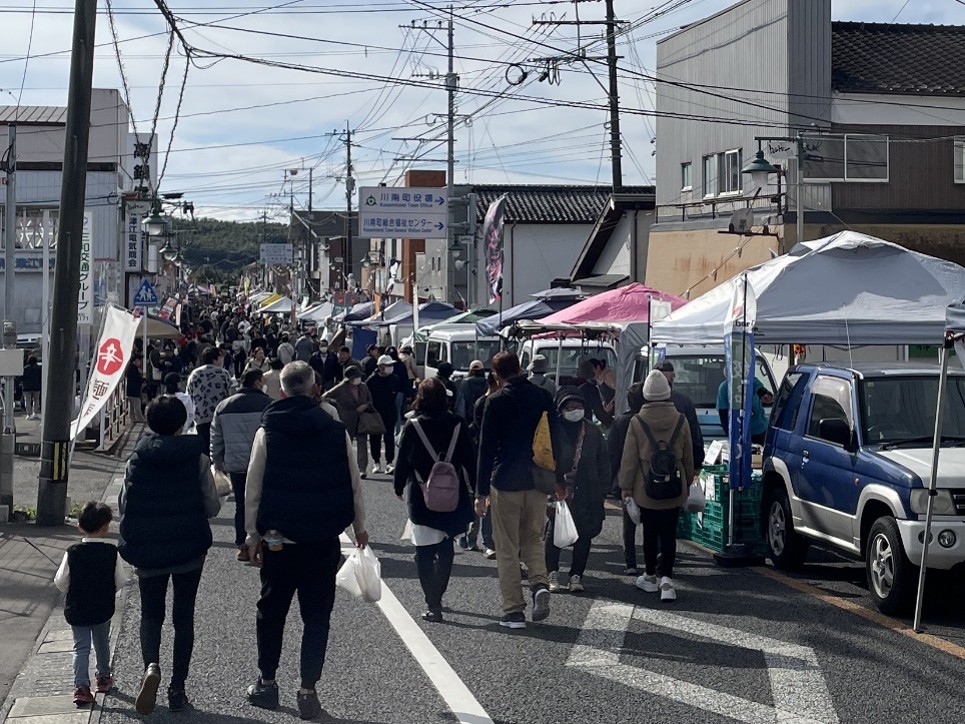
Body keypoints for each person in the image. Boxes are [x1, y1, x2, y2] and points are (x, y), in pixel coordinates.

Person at [244, 361, 368, 720]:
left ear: (281, 391)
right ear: (315, 388)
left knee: (271, 613)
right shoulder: (335, 429)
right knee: (317, 617)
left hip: (278, 540)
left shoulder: (267, 432)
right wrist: (359, 526)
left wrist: (252, 535)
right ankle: (308, 691)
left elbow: (254, 488)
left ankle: (267, 684)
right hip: (323, 538)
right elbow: (353, 480)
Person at [118, 396, 221, 715]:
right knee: (183, 615)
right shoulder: (198, 457)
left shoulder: (136, 457)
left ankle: (151, 667)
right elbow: (212, 506)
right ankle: (178, 689)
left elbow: (124, 504)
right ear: (182, 424)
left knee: (151, 613)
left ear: (149, 422)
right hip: (189, 547)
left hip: (148, 549)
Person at [476, 352, 559, 629]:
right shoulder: (542, 396)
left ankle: (513, 611)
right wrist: (559, 478)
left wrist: (480, 492)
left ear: (496, 374)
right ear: (522, 368)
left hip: (505, 480)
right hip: (537, 479)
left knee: (507, 547)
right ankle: (539, 584)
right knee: (533, 538)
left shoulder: (495, 401)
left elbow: (486, 448)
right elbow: (555, 437)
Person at [393, 378, 475, 622]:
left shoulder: (413, 425)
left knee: (424, 552)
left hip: (421, 495)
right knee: (446, 546)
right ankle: (439, 592)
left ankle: (433, 603)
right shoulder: (458, 424)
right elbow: (470, 459)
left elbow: (402, 463)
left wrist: (398, 487)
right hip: (453, 494)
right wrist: (478, 489)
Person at [619, 370, 695, 603]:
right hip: (674, 486)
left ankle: (650, 576)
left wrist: (626, 487)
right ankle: (667, 582)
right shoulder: (681, 419)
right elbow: (688, 456)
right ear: (668, 392)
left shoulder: (637, 421)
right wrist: (688, 480)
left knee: (650, 533)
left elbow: (629, 459)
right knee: (669, 534)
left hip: (646, 488)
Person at [54, 502, 126, 706]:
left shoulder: (73, 551)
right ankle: (103, 677)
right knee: (102, 641)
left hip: (77, 608)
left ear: (80, 526)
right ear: (105, 527)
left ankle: (81, 687)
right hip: (102, 608)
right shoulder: (111, 552)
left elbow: (61, 581)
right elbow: (120, 580)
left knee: (80, 647)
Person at [545, 388, 610, 594]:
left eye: (579, 407)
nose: (575, 411)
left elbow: (603, 462)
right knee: (554, 533)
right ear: (561, 409)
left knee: (584, 535)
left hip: (587, 491)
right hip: (558, 489)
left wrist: (602, 490)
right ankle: (551, 573)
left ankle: (576, 576)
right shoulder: (553, 430)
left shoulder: (592, 431)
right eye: (570, 407)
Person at [210, 369, 272, 562]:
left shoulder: (224, 406)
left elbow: (216, 437)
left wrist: (217, 460)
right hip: (263, 462)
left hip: (236, 463)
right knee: (263, 503)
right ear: (256, 383)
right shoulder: (268, 404)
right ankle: (264, 544)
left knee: (241, 505)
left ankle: (243, 546)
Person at [608, 383, 645, 575]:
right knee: (651, 521)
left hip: (626, 477)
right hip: (649, 477)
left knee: (628, 521)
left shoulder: (622, 421)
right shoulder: (648, 420)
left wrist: (609, 480)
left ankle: (630, 563)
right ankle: (652, 558)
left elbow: (612, 453)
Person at [462, 372, 499, 556]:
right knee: (482, 497)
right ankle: (485, 540)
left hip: (477, 455)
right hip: (484, 456)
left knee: (478, 496)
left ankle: (470, 536)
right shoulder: (489, 403)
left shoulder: (481, 402)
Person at [324, 365, 375, 478]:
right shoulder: (341, 388)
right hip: (346, 419)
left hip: (361, 419)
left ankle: (362, 469)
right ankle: (344, 467)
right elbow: (325, 396)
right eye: (356, 377)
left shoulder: (363, 387)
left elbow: (370, 400)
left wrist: (365, 405)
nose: (358, 379)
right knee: (346, 444)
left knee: (362, 443)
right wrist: (336, 405)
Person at [186, 346, 235, 456]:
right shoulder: (223, 374)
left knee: (205, 450)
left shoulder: (194, 374)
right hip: (219, 416)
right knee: (218, 448)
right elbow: (229, 396)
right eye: (220, 357)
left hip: (201, 417)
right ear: (215, 359)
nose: (222, 359)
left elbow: (189, 395)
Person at [656, 361, 705, 469]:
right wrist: (695, 464)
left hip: (648, 470)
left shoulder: (642, 404)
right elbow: (694, 436)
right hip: (678, 466)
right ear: (673, 377)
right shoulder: (684, 401)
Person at [365, 355, 401, 474]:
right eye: (388, 365)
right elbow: (366, 396)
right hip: (375, 413)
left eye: (391, 365)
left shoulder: (395, 379)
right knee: (375, 438)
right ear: (380, 367)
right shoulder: (371, 380)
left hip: (390, 412)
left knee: (389, 437)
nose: (391, 367)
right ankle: (376, 462)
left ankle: (389, 463)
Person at [716, 374, 768, 444]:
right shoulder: (725, 387)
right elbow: (723, 413)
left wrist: (731, 436)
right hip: (757, 428)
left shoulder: (724, 387)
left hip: (756, 430)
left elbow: (723, 414)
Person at [578, 358, 616, 430]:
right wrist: (613, 423)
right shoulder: (590, 389)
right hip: (585, 424)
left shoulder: (571, 383)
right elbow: (599, 413)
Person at [126, 358, 145, 423]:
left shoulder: (130, 368)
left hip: (130, 390)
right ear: (135, 361)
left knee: (131, 405)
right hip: (134, 390)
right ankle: (140, 418)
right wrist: (142, 380)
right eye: (138, 360)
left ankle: (132, 418)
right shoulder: (134, 369)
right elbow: (137, 379)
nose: (139, 362)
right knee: (137, 404)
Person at [22, 355, 41, 419]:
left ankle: (28, 414)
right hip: (36, 387)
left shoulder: (25, 368)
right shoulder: (38, 368)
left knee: (27, 401)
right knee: (36, 400)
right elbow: (40, 377)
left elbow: (21, 378)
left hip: (26, 387)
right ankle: (35, 413)